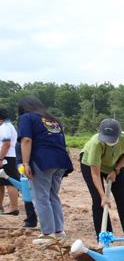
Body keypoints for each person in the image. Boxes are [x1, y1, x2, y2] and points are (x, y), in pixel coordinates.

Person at [79, 118, 124, 249]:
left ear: (119, 134)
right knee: (99, 201)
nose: (109, 141)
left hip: (114, 165)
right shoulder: (96, 143)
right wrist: (103, 196)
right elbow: (95, 174)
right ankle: (105, 241)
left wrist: (116, 170)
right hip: (91, 166)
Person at [17, 96, 73, 245]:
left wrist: (25, 163)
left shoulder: (26, 118)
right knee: (53, 196)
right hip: (61, 160)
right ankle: (59, 232)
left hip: (43, 160)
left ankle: (48, 234)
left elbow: (26, 140)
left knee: (41, 197)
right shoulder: (52, 119)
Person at [0, 108, 21, 217]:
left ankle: (14, 208)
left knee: (10, 182)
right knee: (1, 182)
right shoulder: (6, 126)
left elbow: (6, 144)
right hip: (6, 156)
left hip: (7, 157)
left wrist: (0, 158)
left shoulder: (5, 127)